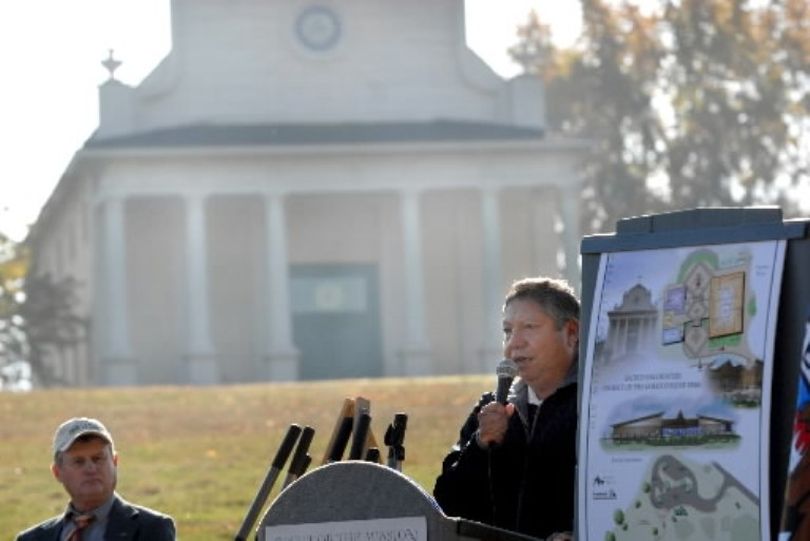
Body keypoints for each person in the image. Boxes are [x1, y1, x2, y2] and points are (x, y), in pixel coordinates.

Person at [433, 276, 580, 541]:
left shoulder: (594, 406)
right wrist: (479, 445)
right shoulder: (491, 408)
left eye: (529, 327)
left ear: (571, 333)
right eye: (507, 331)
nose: (515, 343)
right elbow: (446, 506)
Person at [16, 416, 176, 541]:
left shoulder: (151, 528)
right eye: (79, 461)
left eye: (98, 458)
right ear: (57, 472)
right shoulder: (33, 538)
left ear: (115, 462)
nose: (91, 468)